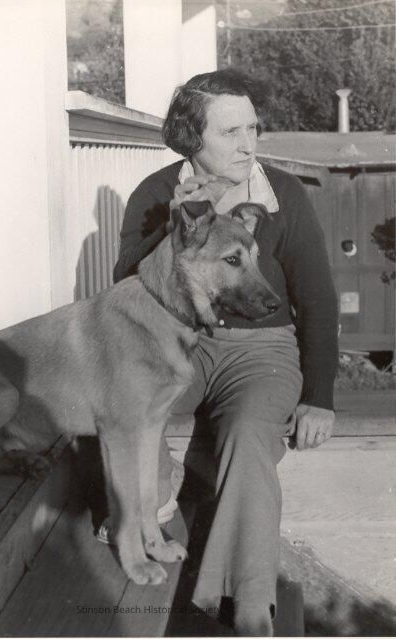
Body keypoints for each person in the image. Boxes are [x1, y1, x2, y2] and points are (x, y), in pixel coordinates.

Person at [110, 69, 338, 636]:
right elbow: (125, 285)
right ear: (192, 140)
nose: (248, 143)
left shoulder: (282, 194)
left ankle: (251, 610)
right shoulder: (157, 194)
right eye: (230, 132)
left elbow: (317, 297)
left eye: (252, 128)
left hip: (263, 350)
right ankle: (155, 501)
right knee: (128, 407)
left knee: (249, 431)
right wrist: (174, 228)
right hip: (177, 343)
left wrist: (319, 395)